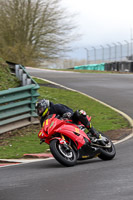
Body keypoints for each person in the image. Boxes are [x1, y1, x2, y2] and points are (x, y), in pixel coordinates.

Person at [35, 99, 101, 139]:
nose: (39, 111)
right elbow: (45, 128)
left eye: (40, 109)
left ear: (45, 106)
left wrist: (67, 113)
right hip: (58, 130)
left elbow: (68, 110)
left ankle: (93, 132)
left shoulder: (56, 107)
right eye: (38, 110)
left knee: (79, 113)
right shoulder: (43, 120)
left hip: (70, 121)